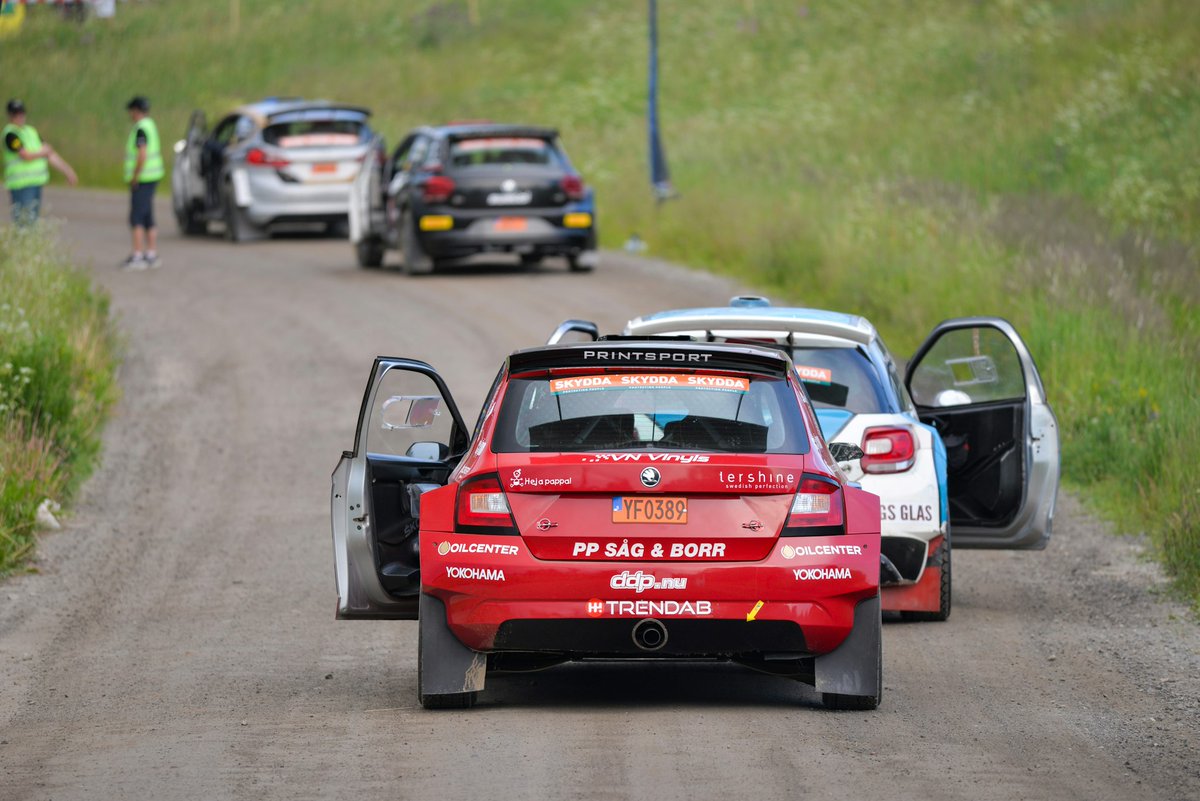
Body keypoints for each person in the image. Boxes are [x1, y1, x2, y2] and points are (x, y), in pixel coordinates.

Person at [3, 98, 78, 225]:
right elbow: (25, 155)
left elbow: (50, 154)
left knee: (33, 221)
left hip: (35, 183)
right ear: (10, 115)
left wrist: (68, 171)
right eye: (16, 114)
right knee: (24, 222)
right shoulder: (10, 134)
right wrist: (42, 152)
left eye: (21, 113)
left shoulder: (31, 132)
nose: (19, 116)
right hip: (20, 185)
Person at [122, 95, 164, 269]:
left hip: (143, 178)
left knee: (137, 217)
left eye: (131, 111)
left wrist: (135, 176)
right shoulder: (151, 125)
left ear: (136, 111)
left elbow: (142, 155)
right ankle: (151, 253)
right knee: (148, 216)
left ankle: (138, 254)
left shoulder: (140, 129)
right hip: (153, 177)